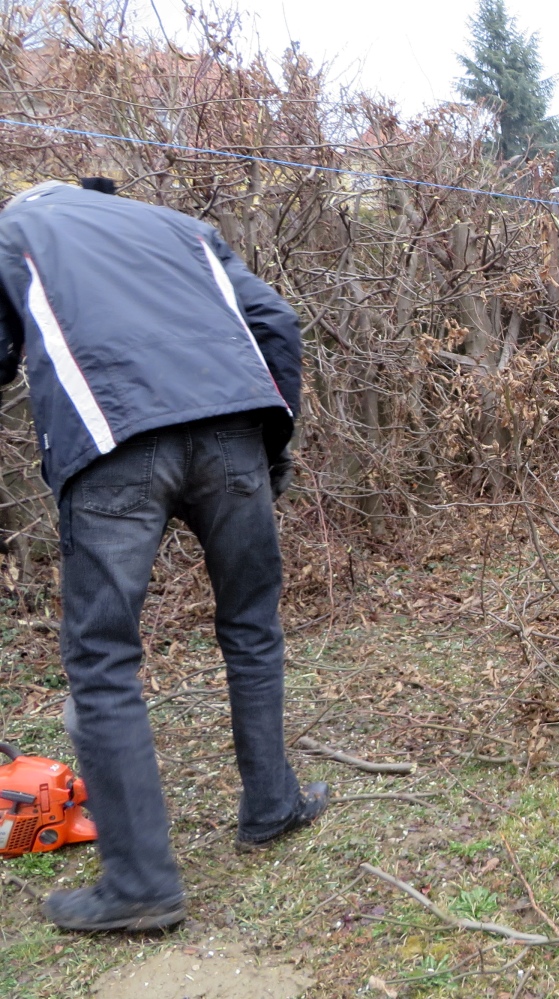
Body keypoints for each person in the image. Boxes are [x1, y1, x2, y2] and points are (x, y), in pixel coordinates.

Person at [0, 179, 328, 931]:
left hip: (115, 441)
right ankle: (272, 805)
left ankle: (141, 884)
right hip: (233, 432)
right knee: (252, 626)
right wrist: (271, 448)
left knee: (103, 661)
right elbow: (275, 318)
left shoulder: (14, 231)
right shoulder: (181, 227)